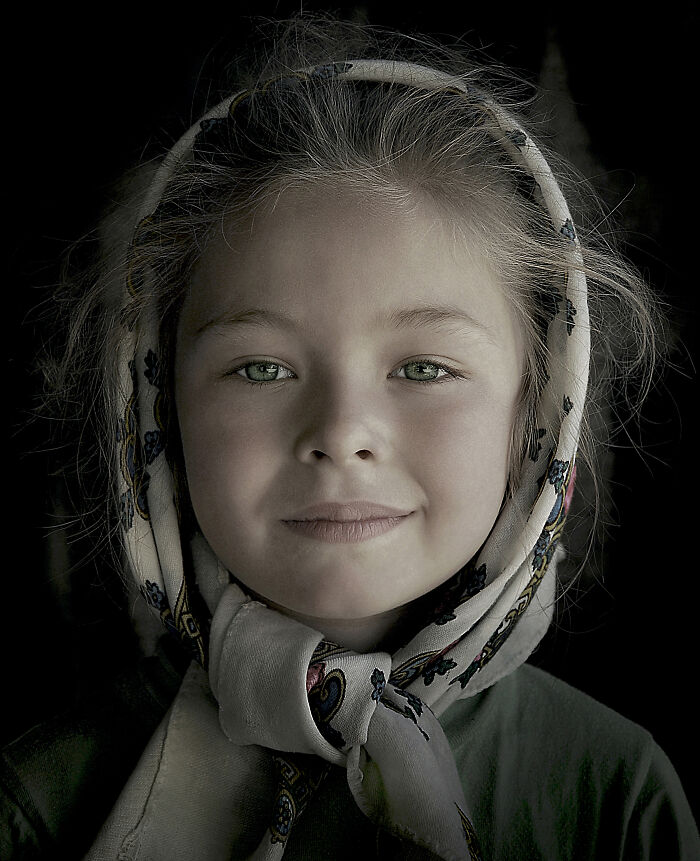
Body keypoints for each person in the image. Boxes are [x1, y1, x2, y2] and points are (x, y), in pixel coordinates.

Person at [3, 13, 697, 861]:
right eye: (260, 368)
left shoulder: (615, 797)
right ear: (159, 409)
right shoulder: (39, 801)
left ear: (537, 417)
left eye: (425, 368)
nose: (340, 434)